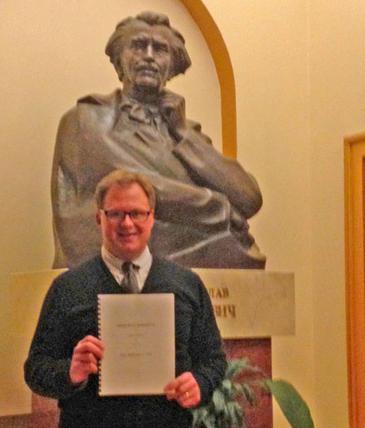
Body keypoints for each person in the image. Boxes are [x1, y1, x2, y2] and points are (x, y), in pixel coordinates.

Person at [51, 11, 266, 270]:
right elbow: (129, 185)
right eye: (139, 46)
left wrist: (183, 134)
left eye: (160, 50)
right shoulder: (86, 118)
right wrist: (218, 208)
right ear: (119, 61)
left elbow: (248, 199)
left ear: (172, 67)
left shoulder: (185, 131)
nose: (149, 56)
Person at [25, 169, 226, 428]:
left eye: (137, 213)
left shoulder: (187, 284)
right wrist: (70, 373)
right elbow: (35, 369)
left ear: (151, 217)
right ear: (99, 218)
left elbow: (214, 360)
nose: (127, 223)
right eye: (116, 213)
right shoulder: (67, 288)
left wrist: (199, 382)